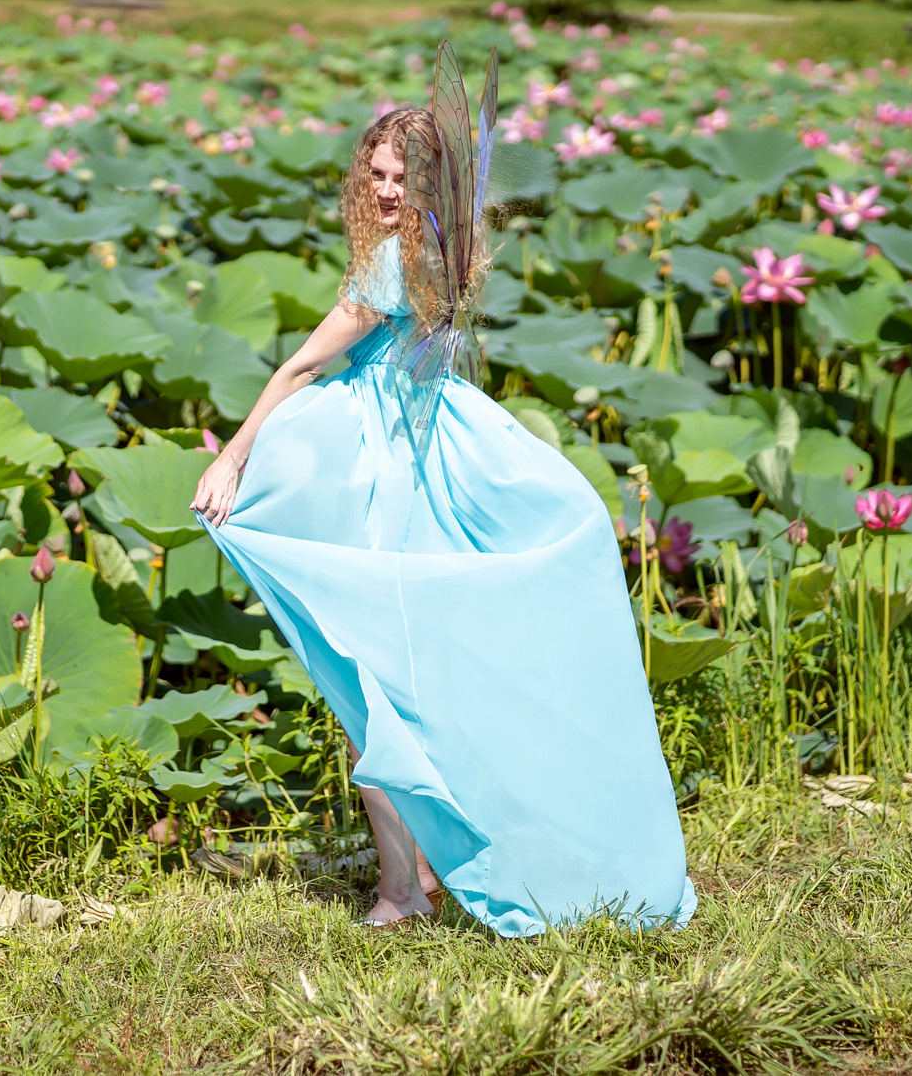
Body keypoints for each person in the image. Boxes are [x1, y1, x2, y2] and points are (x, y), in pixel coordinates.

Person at [190, 45, 694, 936]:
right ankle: (416, 867)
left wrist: (233, 454)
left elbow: (305, 363)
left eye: (401, 175)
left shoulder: (391, 264)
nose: (384, 189)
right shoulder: (446, 247)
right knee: (400, 676)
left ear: (429, 180)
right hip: (427, 444)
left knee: (368, 683)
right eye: (375, 173)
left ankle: (401, 888)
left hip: (391, 460)